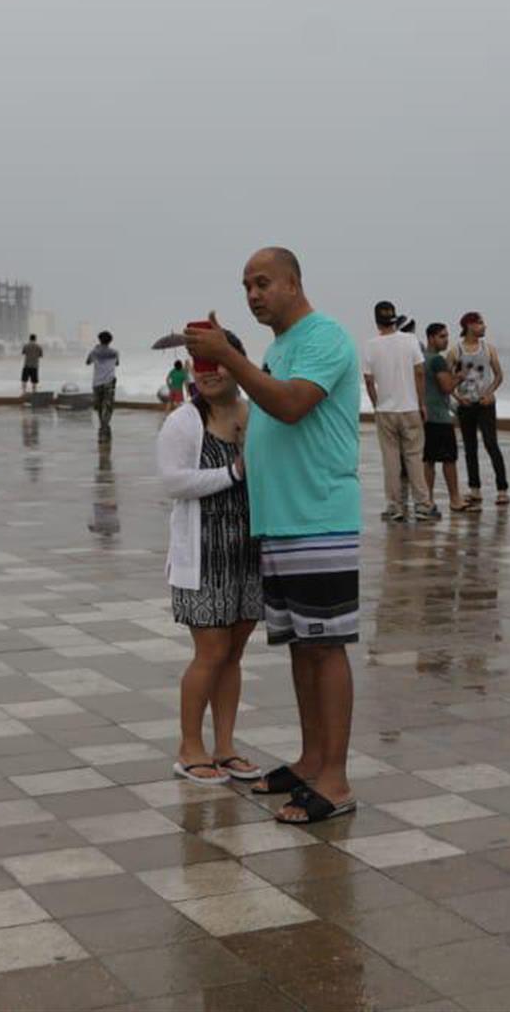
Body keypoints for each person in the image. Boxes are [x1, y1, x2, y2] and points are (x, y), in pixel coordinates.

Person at [185, 247, 361, 825]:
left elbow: (289, 406)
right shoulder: (280, 347)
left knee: (326, 646)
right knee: (301, 647)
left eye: (263, 283)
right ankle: (311, 760)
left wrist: (230, 359)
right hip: (281, 520)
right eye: (245, 287)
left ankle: (334, 779)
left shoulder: (324, 337)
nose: (253, 294)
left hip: (318, 516)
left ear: (293, 282)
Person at [157, 329, 262, 786]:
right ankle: (189, 747)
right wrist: (232, 472)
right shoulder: (185, 421)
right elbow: (174, 482)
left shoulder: (255, 412)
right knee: (211, 651)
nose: (210, 372)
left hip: (248, 551)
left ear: (238, 361)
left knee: (234, 653)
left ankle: (225, 747)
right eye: (201, 365)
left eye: (219, 361)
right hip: (203, 553)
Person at [361, 300, 434, 522]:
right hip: (410, 407)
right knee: (414, 457)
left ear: (376, 321)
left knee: (391, 459)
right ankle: (422, 504)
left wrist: (376, 404)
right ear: (395, 318)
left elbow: (368, 380)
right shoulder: (410, 341)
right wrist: (422, 402)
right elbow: (420, 373)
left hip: (385, 409)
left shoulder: (370, 345)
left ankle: (395, 507)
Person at [451, 311, 508, 504]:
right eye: (480, 323)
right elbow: (446, 379)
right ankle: (474, 489)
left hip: (485, 405)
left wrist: (490, 393)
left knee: (491, 444)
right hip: (466, 406)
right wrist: (457, 397)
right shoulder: (456, 350)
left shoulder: (488, 348)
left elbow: (499, 375)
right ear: (469, 326)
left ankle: (502, 489)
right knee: (470, 448)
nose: (484, 327)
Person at [422, 323, 465, 512]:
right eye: (441, 336)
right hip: (440, 416)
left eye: (447, 336)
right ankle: (455, 499)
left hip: (424, 415)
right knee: (449, 460)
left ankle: (427, 499)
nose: (446, 340)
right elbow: (446, 387)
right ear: (431, 338)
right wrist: (459, 377)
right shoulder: (438, 360)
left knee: (428, 459)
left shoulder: (420, 358)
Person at [86, 331, 120, 438]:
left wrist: (96, 349)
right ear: (110, 341)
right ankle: (105, 424)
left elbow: (87, 362)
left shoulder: (94, 352)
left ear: (99, 339)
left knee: (99, 405)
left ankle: (102, 424)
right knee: (108, 405)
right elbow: (117, 363)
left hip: (97, 383)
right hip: (109, 382)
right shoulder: (115, 352)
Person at [20, 333, 44, 402]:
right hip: (35, 365)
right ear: (35, 339)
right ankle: (34, 392)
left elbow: (23, 353)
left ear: (29, 338)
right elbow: (41, 355)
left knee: (24, 379)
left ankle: (24, 392)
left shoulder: (26, 346)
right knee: (34, 380)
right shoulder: (38, 346)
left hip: (27, 365)